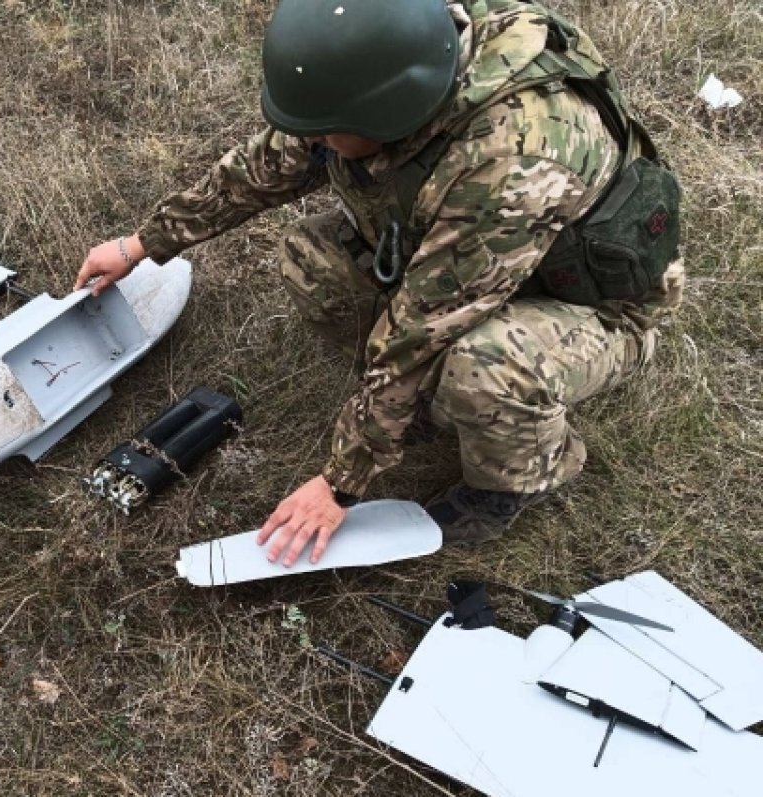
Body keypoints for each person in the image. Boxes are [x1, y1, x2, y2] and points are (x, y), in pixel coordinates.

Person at [73, 0, 683, 565]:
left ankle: (518, 479)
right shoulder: (396, 64)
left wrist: (340, 482)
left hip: (587, 306)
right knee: (312, 257)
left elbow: (423, 326)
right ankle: (410, 411)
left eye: (328, 130)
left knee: (485, 368)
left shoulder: (512, 163)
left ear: (390, 112)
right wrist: (140, 245)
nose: (315, 142)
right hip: (476, 261)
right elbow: (266, 167)